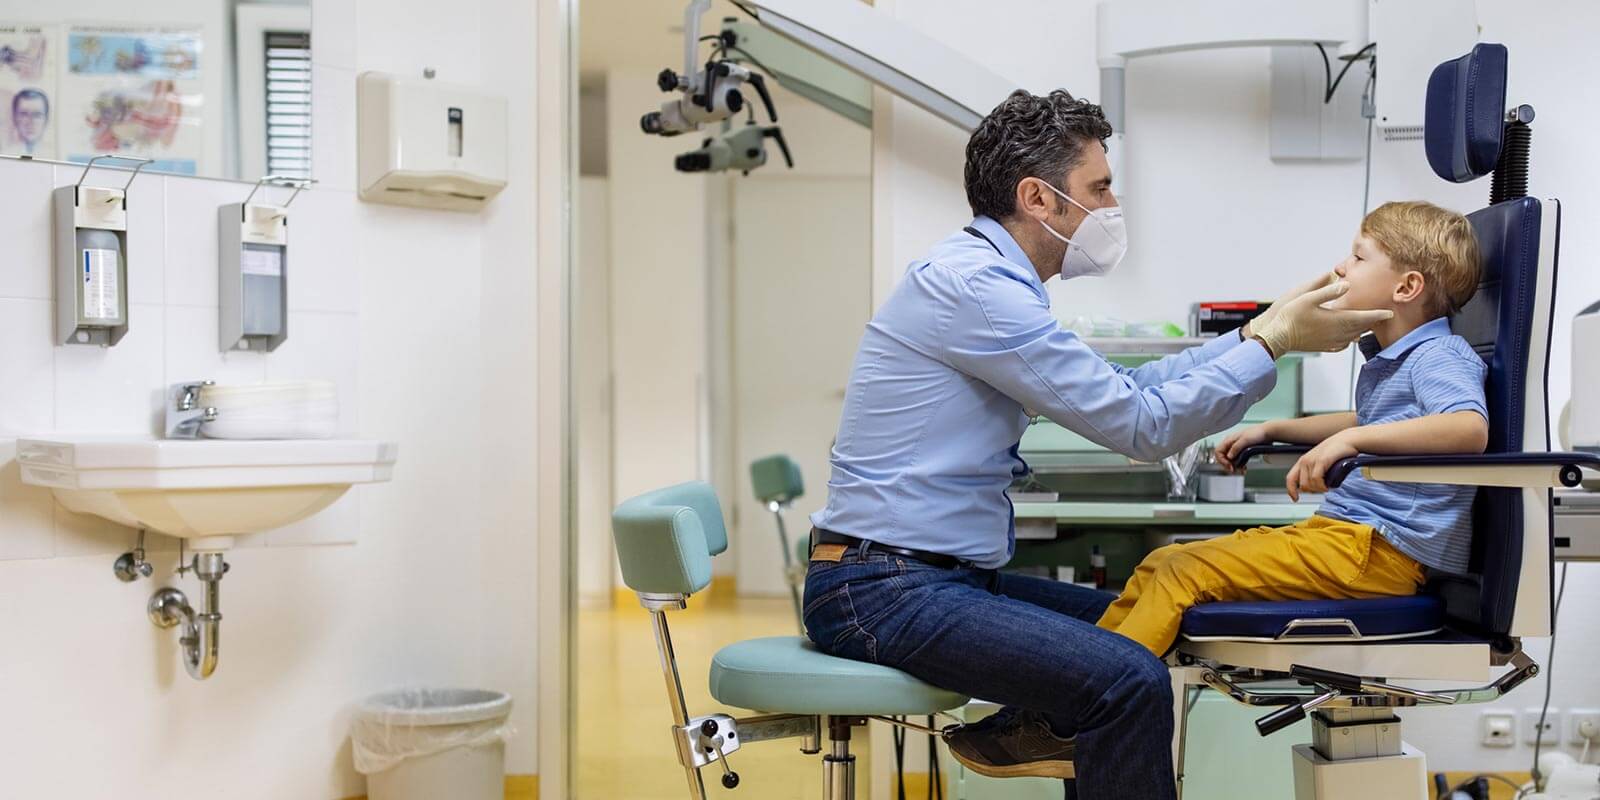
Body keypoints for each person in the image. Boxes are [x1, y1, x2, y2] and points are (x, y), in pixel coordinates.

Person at [800, 88, 1392, 800]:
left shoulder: (990, 284)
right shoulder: (976, 289)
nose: (1111, 207)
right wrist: (1273, 341)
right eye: (1099, 187)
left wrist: (1254, 332)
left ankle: (1033, 731)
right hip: (879, 590)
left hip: (928, 578)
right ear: (1039, 198)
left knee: (1151, 624)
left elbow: (1126, 387)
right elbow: (1139, 426)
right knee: (1125, 677)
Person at [1098, 200, 1486, 656]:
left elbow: (1467, 428)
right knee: (1160, 561)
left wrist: (1349, 440)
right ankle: (1074, 691)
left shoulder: (1440, 354)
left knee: (1183, 571)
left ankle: (1101, 702)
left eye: (1359, 257)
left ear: (1407, 287)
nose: (1341, 267)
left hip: (1379, 556)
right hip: (1346, 542)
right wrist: (1275, 428)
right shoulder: (1398, 359)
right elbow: (1374, 421)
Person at [10, 88, 48, 155]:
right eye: (24, 114)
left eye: (37, 115)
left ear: (46, 119)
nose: (31, 122)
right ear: (14, 118)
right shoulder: (5, 154)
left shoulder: (53, 155)